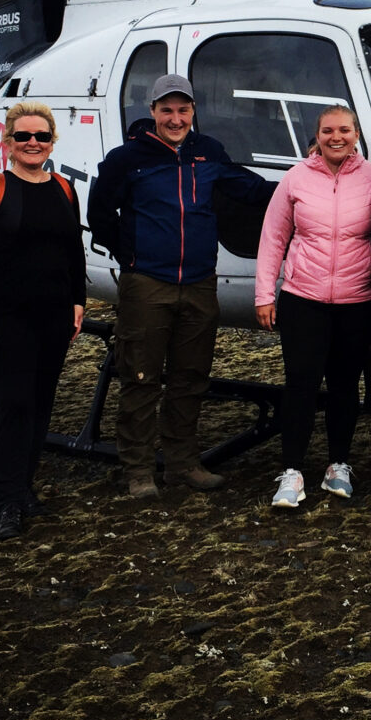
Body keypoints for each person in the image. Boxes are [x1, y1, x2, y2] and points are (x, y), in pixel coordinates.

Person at [88, 75, 275, 499]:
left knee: (191, 377)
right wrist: (128, 255)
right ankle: (137, 470)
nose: (176, 118)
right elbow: (100, 212)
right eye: (167, 110)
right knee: (140, 377)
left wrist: (307, 181)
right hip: (146, 285)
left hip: (198, 284)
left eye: (183, 110)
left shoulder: (208, 153)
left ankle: (183, 463)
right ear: (152, 112)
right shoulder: (127, 159)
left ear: (193, 112)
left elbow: (249, 190)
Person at [0, 102, 85, 541]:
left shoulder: (65, 189)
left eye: (42, 136)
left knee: (41, 405)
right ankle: (5, 500)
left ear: (53, 142)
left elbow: (74, 252)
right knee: (14, 406)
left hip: (53, 318)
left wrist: (78, 302)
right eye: (24, 136)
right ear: (8, 142)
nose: (34, 143)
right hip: (6, 320)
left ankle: (25, 489)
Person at [255, 106, 371, 509]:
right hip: (303, 298)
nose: (336, 137)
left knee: (346, 385)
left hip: (356, 300)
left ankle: (338, 465)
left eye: (344, 130)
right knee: (301, 384)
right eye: (328, 130)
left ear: (356, 134)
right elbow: (274, 236)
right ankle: (292, 471)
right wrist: (264, 293)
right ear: (317, 135)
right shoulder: (296, 178)